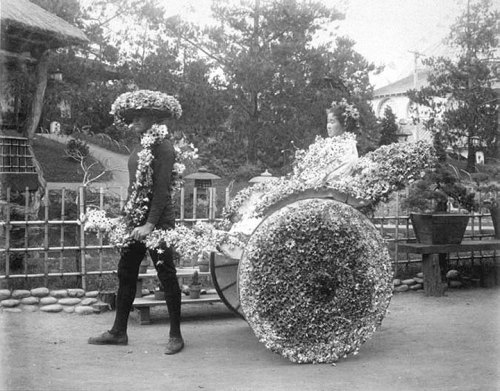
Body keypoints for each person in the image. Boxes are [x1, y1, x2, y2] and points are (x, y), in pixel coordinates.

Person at [88, 90, 184, 355]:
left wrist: (150, 225)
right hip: (136, 219)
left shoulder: (163, 146)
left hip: (158, 222)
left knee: (166, 274)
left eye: (139, 116)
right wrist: (126, 215)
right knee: (126, 272)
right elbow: (136, 187)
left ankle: (176, 335)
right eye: (132, 117)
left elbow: (162, 190)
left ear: (153, 118)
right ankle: (119, 332)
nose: (134, 122)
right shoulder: (141, 145)